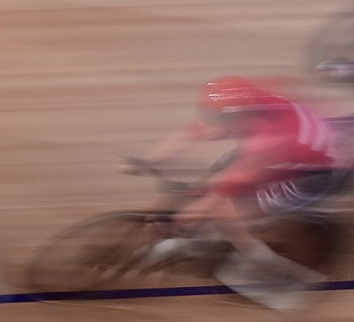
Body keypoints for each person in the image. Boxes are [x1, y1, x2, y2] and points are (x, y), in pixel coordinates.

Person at [123, 76, 341, 307]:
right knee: (212, 184)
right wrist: (150, 160)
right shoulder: (246, 109)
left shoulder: (268, 140)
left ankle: (262, 262)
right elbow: (191, 133)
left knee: (226, 211)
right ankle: (200, 238)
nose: (211, 124)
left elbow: (227, 189)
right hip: (287, 150)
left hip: (311, 175)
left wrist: (192, 213)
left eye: (218, 119)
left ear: (238, 117)